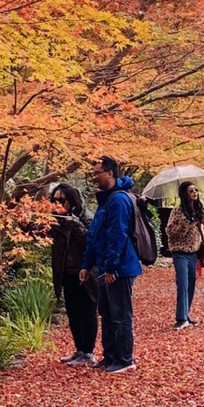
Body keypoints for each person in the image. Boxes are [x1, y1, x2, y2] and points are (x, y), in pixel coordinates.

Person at [79, 155, 142, 373]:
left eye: (98, 173)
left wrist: (111, 268)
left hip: (119, 268)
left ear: (110, 173)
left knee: (121, 313)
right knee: (106, 311)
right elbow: (94, 234)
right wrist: (86, 265)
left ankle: (125, 358)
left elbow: (118, 236)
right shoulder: (106, 201)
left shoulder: (118, 200)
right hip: (107, 266)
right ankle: (111, 355)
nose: (95, 177)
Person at [49, 183, 97, 363]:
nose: (58, 204)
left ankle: (89, 352)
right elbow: (38, 232)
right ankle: (79, 350)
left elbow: (91, 243)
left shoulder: (86, 217)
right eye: (54, 200)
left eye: (62, 200)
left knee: (87, 311)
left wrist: (75, 226)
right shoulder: (55, 220)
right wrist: (24, 226)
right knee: (73, 312)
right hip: (66, 273)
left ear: (72, 200)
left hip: (86, 273)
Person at [164, 180, 204, 329]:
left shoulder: (197, 211)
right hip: (180, 252)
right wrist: (186, 223)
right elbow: (170, 231)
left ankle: (186, 314)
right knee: (182, 283)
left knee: (191, 284)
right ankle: (180, 317)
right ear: (184, 194)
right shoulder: (178, 211)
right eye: (191, 191)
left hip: (193, 252)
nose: (195, 193)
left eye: (196, 190)